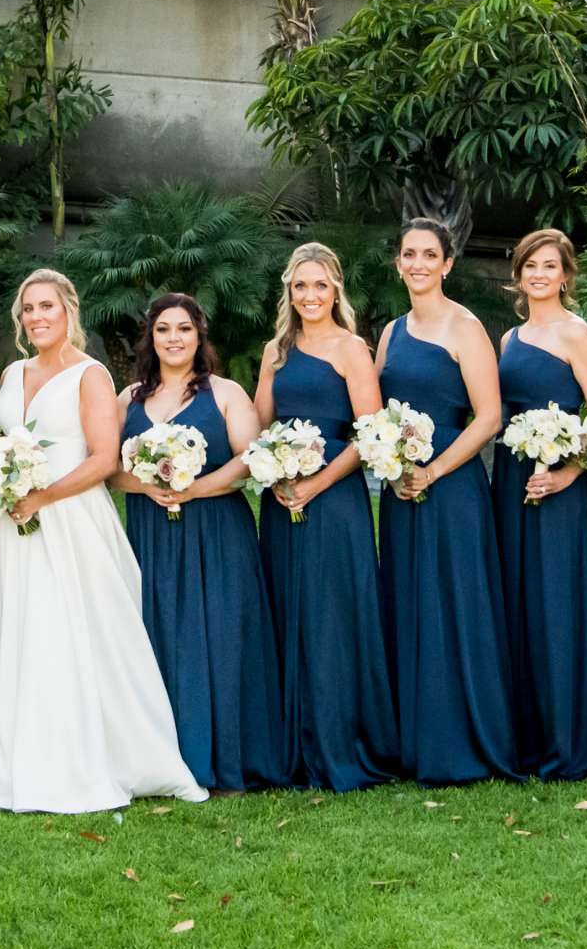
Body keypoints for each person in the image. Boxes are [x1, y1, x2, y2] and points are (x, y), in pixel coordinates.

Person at [0, 270, 206, 813]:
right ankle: (12, 756)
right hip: (17, 525)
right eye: (27, 309)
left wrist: (43, 497)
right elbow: (4, 445)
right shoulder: (12, 373)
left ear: (69, 310)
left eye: (46, 306)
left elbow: (103, 459)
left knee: (76, 633)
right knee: (21, 632)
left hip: (70, 521)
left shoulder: (89, 375)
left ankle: (92, 759)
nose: (36, 317)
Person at [113, 293, 291, 794]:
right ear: (150, 336)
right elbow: (108, 469)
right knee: (160, 636)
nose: (173, 338)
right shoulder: (128, 399)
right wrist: (147, 484)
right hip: (152, 535)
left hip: (218, 531)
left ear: (199, 335)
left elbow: (250, 458)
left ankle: (230, 760)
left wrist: (195, 487)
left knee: (223, 638)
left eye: (184, 329)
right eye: (164, 329)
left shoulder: (227, 393)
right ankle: (164, 762)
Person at [375, 218, 519, 785]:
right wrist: (391, 464)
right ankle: (414, 740)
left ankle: (461, 741)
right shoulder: (390, 332)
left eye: (429, 255)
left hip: (452, 489)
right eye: (408, 253)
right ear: (399, 263)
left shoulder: (467, 328)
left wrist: (432, 469)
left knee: (455, 607)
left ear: (448, 264)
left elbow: (489, 417)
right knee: (410, 603)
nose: (418, 264)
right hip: (401, 491)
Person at [251, 243, 398, 792]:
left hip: (334, 498)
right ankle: (294, 745)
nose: (310, 296)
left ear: (336, 288)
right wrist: (273, 465)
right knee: (290, 609)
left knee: (334, 615)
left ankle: (341, 741)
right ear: (288, 291)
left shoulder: (351, 349)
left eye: (320, 285)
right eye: (300, 286)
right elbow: (260, 421)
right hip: (282, 493)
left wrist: (315, 482)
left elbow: (369, 433)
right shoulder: (276, 350)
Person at [492, 229, 587, 781]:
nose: (539, 274)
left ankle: (575, 736)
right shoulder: (508, 340)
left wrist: (570, 473)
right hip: (514, 482)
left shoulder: (577, 335)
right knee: (522, 602)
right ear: (519, 274)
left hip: (566, 491)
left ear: (566, 276)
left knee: (561, 605)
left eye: (550, 266)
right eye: (530, 265)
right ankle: (531, 734)